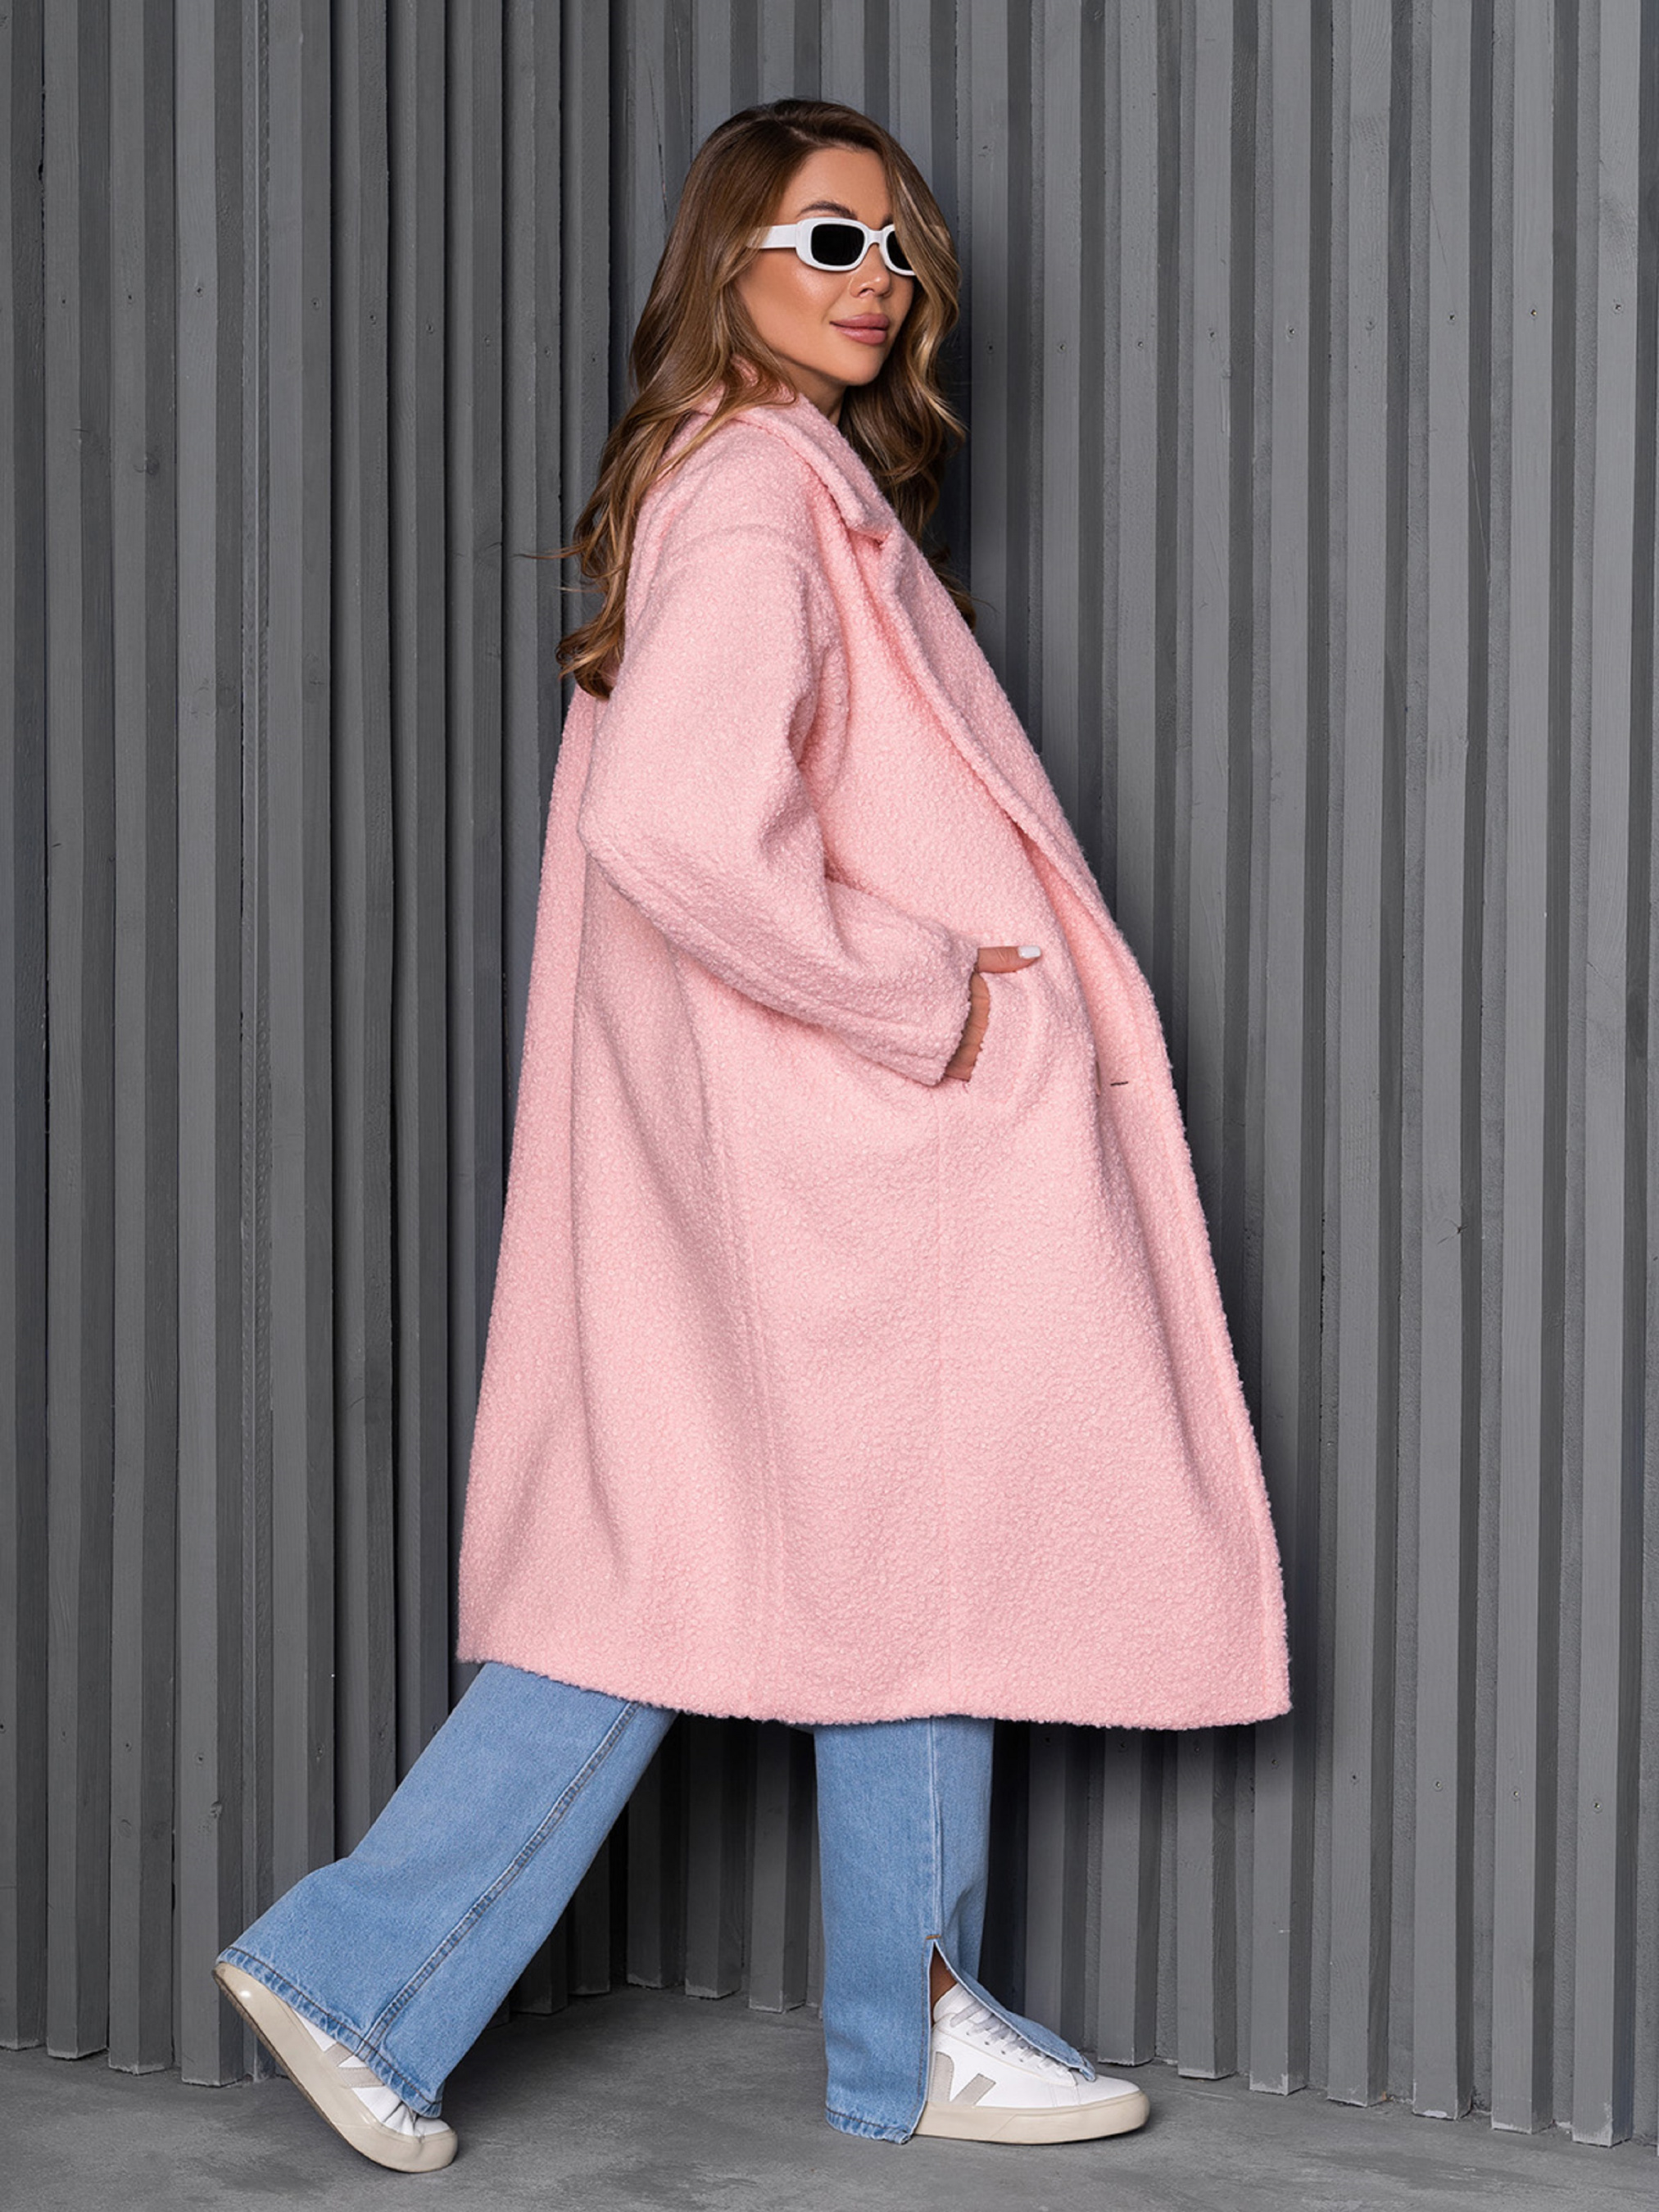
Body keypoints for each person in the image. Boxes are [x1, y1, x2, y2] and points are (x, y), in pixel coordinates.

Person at [215, 97, 1290, 2177]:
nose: (874, 280)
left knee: (825, 1571)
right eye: (824, 240)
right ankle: (401, 1967)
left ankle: (860, 2016)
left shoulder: (762, 480)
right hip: (839, 1149)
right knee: (809, 1573)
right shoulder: (754, 499)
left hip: (803, 1150)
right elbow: (678, 830)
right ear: (725, 261)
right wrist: (928, 993)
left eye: (895, 247)